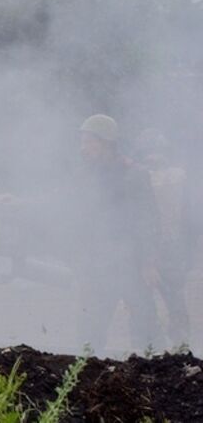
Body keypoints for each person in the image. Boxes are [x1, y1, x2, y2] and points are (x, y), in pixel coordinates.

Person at [73, 114, 159, 351]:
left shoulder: (134, 175)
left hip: (132, 263)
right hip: (98, 265)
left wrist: (149, 263)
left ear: (106, 143)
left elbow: (149, 221)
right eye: (83, 142)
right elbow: (63, 203)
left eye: (89, 142)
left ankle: (151, 374)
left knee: (146, 328)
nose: (84, 148)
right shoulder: (86, 175)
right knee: (90, 331)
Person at [135, 128, 192, 345]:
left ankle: (173, 350)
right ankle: (160, 350)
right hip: (158, 247)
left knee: (170, 302)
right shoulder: (178, 176)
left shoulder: (170, 177)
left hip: (166, 248)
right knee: (148, 304)